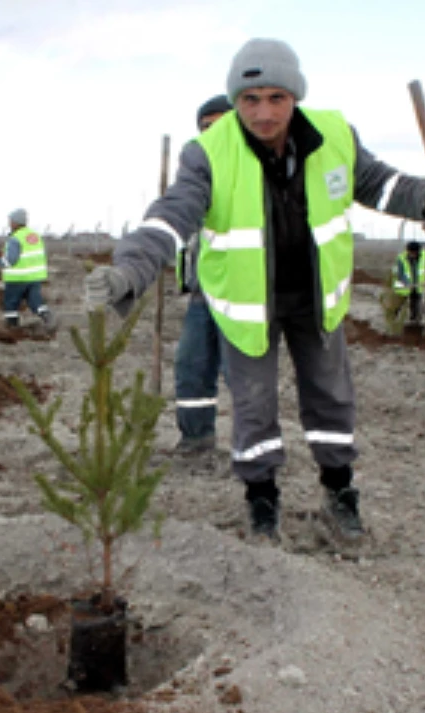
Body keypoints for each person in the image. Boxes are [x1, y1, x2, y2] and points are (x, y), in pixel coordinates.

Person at [84, 38, 425, 544]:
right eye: (250, 99)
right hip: (247, 306)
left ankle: (339, 491)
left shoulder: (333, 135)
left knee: (331, 400)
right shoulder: (209, 154)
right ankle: (262, 500)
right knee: (254, 406)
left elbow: (377, 183)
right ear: (235, 101)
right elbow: (172, 216)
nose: (263, 112)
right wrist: (130, 269)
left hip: (314, 297)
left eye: (276, 98)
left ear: (295, 96)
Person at [172, 94, 234, 454]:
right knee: (191, 365)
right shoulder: (196, 176)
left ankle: (254, 445)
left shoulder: (247, 176)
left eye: (219, 124)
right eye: (204, 126)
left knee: (239, 373)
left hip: (241, 294)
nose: (211, 133)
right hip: (201, 294)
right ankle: (196, 439)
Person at [0, 208, 51, 328]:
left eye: (10, 221)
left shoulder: (15, 238)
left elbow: (11, 260)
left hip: (17, 277)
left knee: (11, 303)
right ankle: (47, 316)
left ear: (16, 222)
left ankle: (12, 326)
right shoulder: (35, 236)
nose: (9, 223)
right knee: (35, 301)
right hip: (35, 277)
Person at [388, 240, 425, 327]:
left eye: (415, 253)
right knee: (397, 304)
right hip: (403, 287)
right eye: (411, 253)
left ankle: (415, 322)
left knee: (416, 304)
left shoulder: (424, 256)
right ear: (408, 251)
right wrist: (407, 282)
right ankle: (391, 320)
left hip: (417, 287)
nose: (413, 255)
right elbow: (400, 273)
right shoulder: (401, 258)